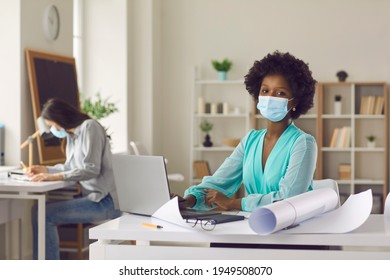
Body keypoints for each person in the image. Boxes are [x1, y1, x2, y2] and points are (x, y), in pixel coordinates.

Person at [181, 51, 317, 212]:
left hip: (289, 230)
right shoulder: (250, 140)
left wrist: (235, 203)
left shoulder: (303, 143)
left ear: (296, 100)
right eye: (265, 91)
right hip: (251, 227)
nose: (270, 97)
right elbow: (218, 183)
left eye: (280, 93)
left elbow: (288, 198)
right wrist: (187, 201)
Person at [27, 98, 121, 260]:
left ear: (59, 119)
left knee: (43, 214)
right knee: (39, 211)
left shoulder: (90, 127)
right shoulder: (72, 137)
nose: (53, 130)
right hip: (94, 199)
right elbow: (70, 167)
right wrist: (45, 169)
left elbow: (91, 169)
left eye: (52, 125)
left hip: (105, 201)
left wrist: (53, 176)